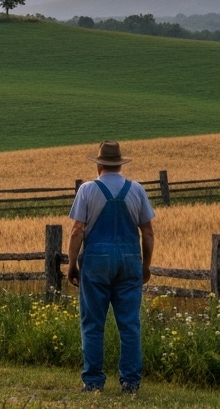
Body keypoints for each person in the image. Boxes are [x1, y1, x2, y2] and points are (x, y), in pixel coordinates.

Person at [67, 140, 156, 395]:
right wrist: (145, 266)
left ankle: (93, 381)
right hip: (130, 261)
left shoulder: (87, 190)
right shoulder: (136, 190)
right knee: (129, 324)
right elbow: (148, 233)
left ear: (99, 166)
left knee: (93, 323)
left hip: (96, 261)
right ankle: (130, 382)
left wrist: (72, 265)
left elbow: (77, 231)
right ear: (119, 164)